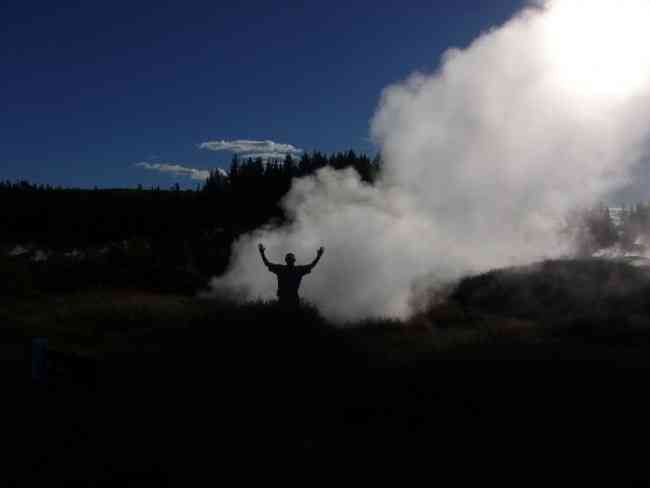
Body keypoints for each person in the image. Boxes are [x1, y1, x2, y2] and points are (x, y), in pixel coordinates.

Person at [258, 243, 324, 307]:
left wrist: (262, 253)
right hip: (289, 298)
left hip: (286, 298)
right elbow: (311, 266)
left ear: (286, 260)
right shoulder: (296, 270)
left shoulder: (282, 269)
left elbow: (267, 264)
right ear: (293, 260)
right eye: (289, 259)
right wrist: (318, 256)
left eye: (290, 259)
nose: (290, 261)